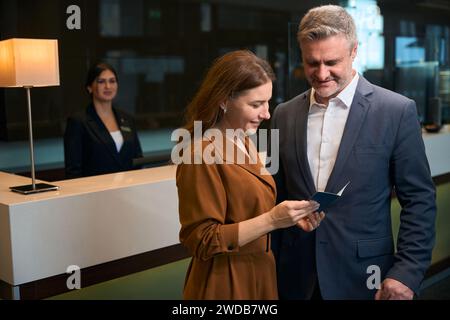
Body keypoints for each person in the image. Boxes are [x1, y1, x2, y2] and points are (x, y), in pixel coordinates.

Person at [271, 5, 436, 300]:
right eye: (312, 63)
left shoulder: (396, 111)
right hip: (295, 276)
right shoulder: (283, 114)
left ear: (354, 51)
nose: (321, 74)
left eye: (332, 62)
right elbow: (277, 193)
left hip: (364, 275)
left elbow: (420, 200)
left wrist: (408, 271)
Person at [175, 50, 324, 300]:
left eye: (267, 102)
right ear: (224, 100)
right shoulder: (200, 154)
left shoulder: (243, 140)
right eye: (255, 105)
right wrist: (272, 220)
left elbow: (250, 210)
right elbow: (202, 240)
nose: (266, 114)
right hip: (225, 281)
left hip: (260, 272)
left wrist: (289, 218)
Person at [64, 62, 143, 178]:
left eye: (112, 81)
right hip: (96, 193)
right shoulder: (78, 122)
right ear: (90, 87)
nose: (108, 86)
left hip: (128, 191)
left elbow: (138, 160)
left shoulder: (127, 119)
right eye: (101, 82)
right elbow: (73, 171)